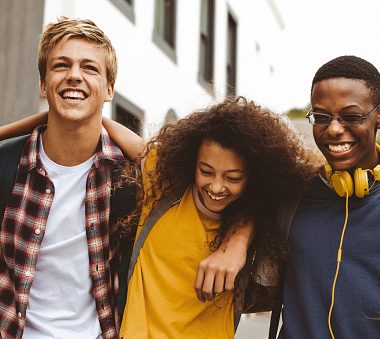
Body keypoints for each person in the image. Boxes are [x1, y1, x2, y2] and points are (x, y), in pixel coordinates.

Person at [112, 97, 317, 338]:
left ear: (254, 178)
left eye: (233, 178)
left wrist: (239, 241)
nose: (217, 187)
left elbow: (303, 178)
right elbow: (125, 138)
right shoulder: (164, 186)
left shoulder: (262, 222)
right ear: (191, 161)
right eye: (206, 171)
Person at [0, 17, 143, 338]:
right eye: (61, 66)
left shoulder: (129, 178)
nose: (74, 76)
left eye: (89, 68)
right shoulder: (7, 164)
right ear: (43, 84)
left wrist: (236, 242)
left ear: (109, 89)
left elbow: (207, 189)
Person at [277, 55, 380, 338]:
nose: (334, 129)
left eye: (351, 116)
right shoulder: (294, 193)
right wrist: (235, 243)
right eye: (321, 117)